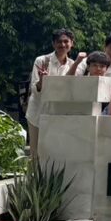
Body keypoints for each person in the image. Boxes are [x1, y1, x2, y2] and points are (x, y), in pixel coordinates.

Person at [25, 28, 77, 156]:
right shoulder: (42, 61)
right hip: (37, 113)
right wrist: (42, 81)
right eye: (59, 41)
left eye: (66, 41)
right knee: (35, 153)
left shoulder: (73, 65)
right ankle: (34, 170)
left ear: (72, 43)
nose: (63, 44)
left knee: (54, 152)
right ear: (53, 44)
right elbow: (35, 90)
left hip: (58, 115)